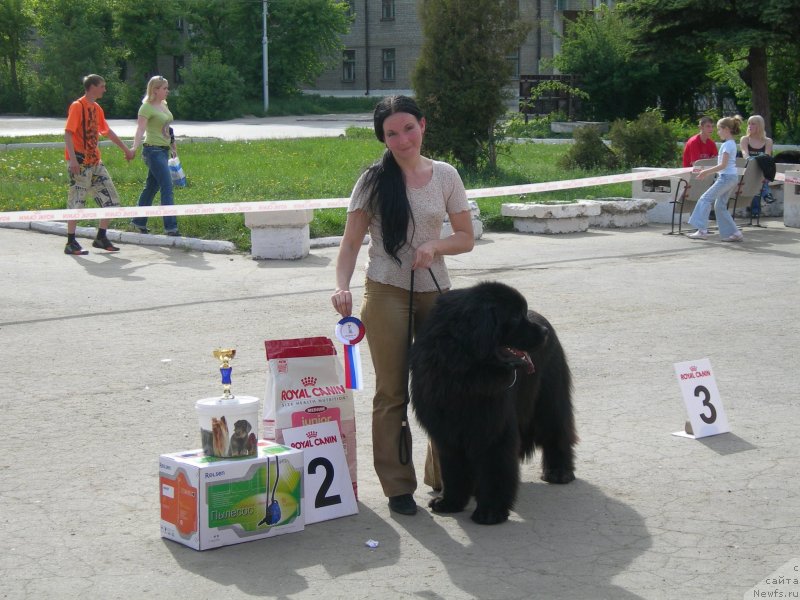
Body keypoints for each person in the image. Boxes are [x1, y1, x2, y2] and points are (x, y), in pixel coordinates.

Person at [330, 95, 475, 516]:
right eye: (391, 133)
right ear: (383, 138)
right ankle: (397, 486)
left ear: (422, 125)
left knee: (445, 388)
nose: (402, 139)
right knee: (392, 391)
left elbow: (465, 237)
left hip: (436, 290)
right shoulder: (373, 181)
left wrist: (436, 245)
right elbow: (350, 243)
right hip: (387, 289)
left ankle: (445, 477)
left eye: (408, 128)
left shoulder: (445, 175)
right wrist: (341, 287)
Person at [63, 74, 134, 255]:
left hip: (96, 162)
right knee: (77, 202)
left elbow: (106, 131)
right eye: (102, 86)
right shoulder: (78, 106)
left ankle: (101, 237)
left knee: (111, 200)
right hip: (80, 163)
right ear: (92, 87)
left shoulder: (97, 108)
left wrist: (126, 149)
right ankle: (71, 242)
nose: (104, 89)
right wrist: (73, 160)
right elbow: (68, 133)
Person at [130, 76, 181, 236]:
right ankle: (171, 227)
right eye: (164, 88)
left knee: (151, 187)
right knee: (167, 186)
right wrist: (134, 147)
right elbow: (140, 129)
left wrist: (173, 145)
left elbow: (168, 128)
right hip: (152, 151)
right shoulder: (146, 108)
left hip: (164, 150)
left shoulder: (164, 105)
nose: (167, 91)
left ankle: (138, 221)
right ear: (155, 90)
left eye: (167, 88)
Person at [687, 115, 745, 242]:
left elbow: (723, 165)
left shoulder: (727, 145)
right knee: (720, 206)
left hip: (726, 178)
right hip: (731, 178)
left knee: (705, 199)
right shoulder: (731, 144)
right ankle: (735, 233)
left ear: (726, 129)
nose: (717, 132)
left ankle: (702, 231)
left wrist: (706, 172)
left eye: (719, 129)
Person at [739, 115, 774, 217]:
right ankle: (766, 194)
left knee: (758, 178)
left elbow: (767, 156)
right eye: (749, 123)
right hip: (748, 169)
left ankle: (755, 211)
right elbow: (745, 154)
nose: (750, 126)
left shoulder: (768, 141)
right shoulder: (745, 139)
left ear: (760, 126)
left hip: (762, 170)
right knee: (756, 179)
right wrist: (754, 161)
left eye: (753, 124)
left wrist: (758, 162)